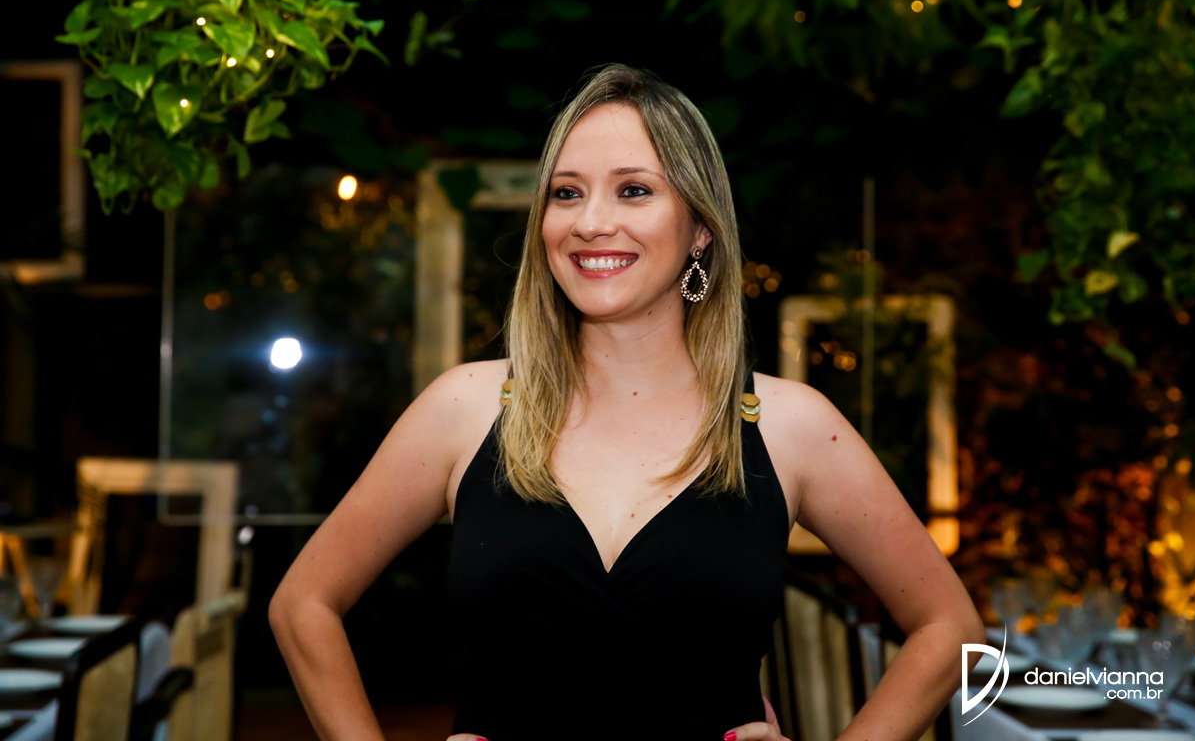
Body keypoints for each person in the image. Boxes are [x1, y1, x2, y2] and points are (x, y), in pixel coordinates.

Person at [269, 63, 986, 741]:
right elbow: (303, 604)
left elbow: (948, 626)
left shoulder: (789, 426)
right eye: (566, 193)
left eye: (634, 190)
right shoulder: (466, 409)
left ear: (700, 227)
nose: (590, 222)